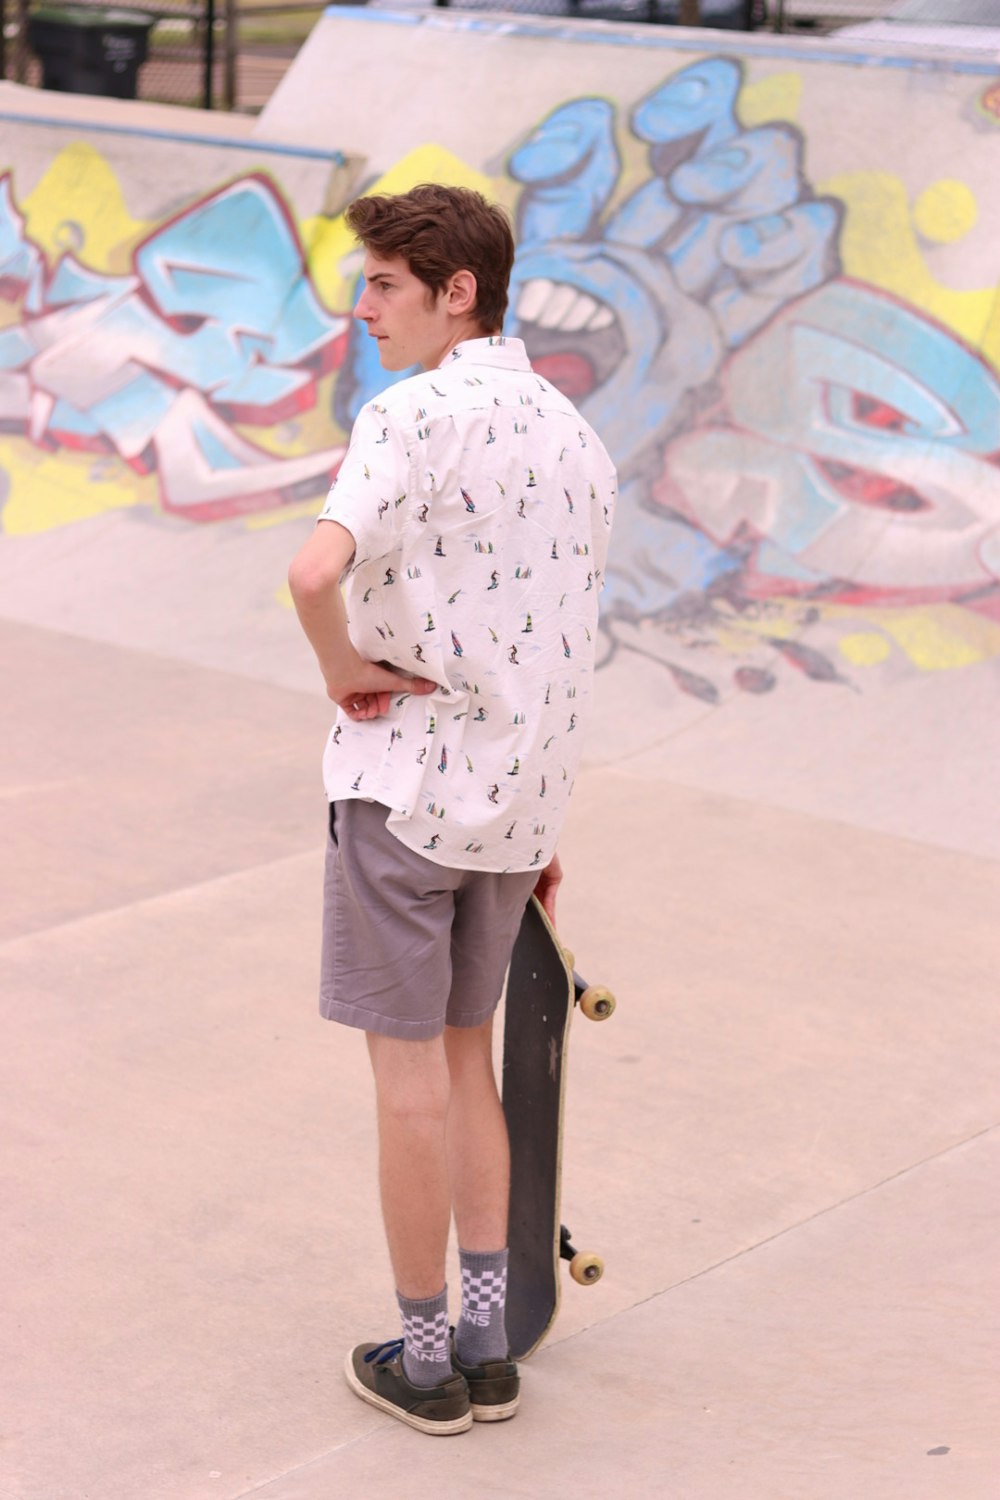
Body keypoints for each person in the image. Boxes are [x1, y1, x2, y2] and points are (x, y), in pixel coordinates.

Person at [288, 183, 616, 1436]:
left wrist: (340, 668)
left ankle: (422, 1358)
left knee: (406, 1079)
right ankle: (488, 1344)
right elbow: (562, 643)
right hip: (513, 809)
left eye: (381, 284)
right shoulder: (574, 438)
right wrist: (539, 830)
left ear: (454, 291)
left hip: (405, 787)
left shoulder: (410, 414)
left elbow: (313, 567)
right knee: (469, 1062)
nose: (361, 307)